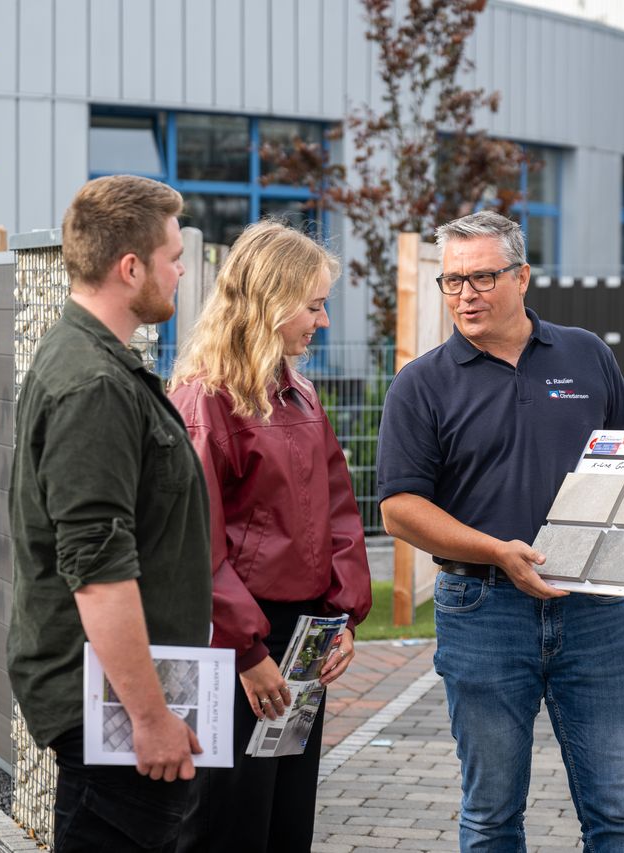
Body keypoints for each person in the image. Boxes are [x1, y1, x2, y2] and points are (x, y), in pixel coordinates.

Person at [377, 210, 624, 851]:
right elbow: (399, 508)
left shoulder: (585, 354)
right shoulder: (420, 385)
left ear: (522, 277)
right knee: (493, 813)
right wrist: (497, 553)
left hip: (593, 605)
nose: (465, 295)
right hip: (483, 611)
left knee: (618, 811)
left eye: (482, 278)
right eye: (452, 282)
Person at [7, 175, 213, 852]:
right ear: (131, 267)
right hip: (111, 706)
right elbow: (96, 568)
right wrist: (148, 717)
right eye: (172, 257)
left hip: (121, 693)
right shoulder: (92, 383)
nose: (181, 271)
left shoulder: (100, 364)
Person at [169, 220, 372, 852]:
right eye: (313, 305)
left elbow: (339, 508)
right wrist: (248, 654)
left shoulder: (299, 393)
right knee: (229, 823)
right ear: (271, 301)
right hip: (238, 646)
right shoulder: (206, 401)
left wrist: (343, 618)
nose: (323, 320)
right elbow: (194, 546)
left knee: (287, 820)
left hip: (301, 638)